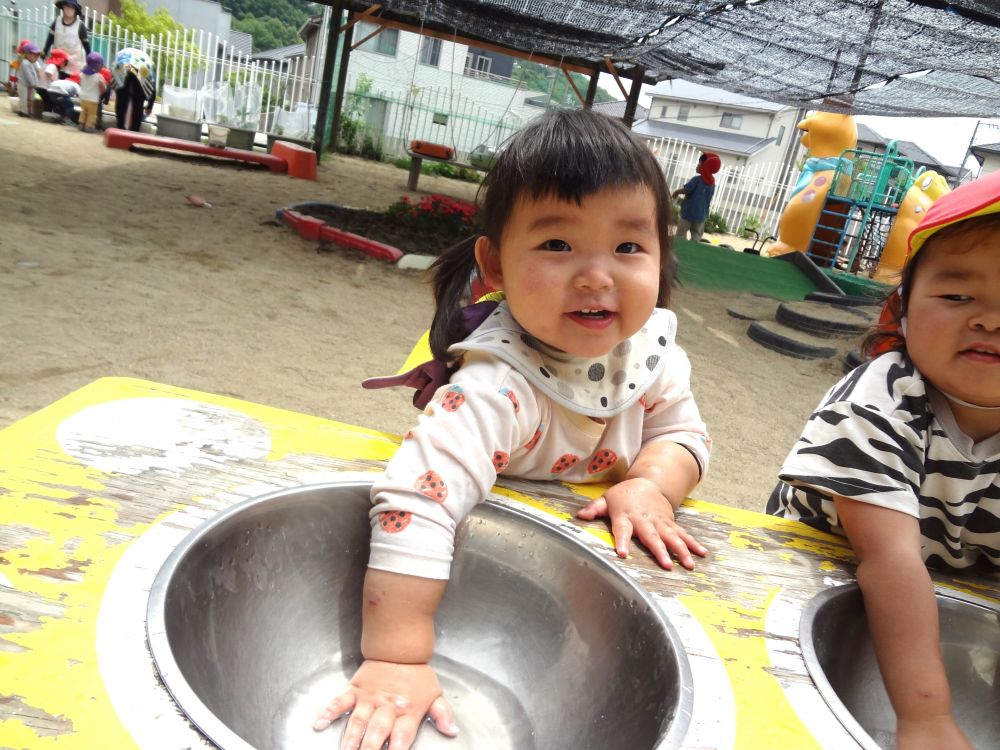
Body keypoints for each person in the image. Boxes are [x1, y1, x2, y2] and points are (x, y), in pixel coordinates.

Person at [314, 109, 712, 749]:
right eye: (557, 244)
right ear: (494, 266)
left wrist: (651, 486)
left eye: (628, 246)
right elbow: (418, 500)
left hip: (585, 589)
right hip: (495, 582)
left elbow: (686, 436)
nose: (597, 275)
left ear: (662, 258)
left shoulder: (652, 357)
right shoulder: (498, 384)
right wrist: (398, 657)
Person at [767, 170, 1000, 750]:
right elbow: (887, 559)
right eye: (957, 295)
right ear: (902, 308)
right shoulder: (881, 397)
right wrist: (926, 719)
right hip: (814, 579)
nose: (990, 319)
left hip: (946, 581)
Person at [671, 152, 722, 242]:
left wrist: (676, 192)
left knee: (680, 235)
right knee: (696, 235)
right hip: (701, 216)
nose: (697, 165)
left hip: (688, 213)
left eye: (699, 163)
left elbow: (686, 190)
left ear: (705, 166)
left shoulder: (697, 180)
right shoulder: (712, 184)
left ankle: (681, 250)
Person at [112, 48, 156, 132]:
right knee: (138, 102)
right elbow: (152, 84)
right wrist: (150, 105)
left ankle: (120, 126)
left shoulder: (123, 58)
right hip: (141, 72)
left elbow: (115, 78)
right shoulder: (147, 63)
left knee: (121, 99)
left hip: (124, 68)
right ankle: (134, 129)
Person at [42, 0, 89, 75]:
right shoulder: (57, 22)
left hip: (74, 65)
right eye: (66, 6)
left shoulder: (80, 26)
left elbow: (87, 47)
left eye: (71, 8)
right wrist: (44, 52)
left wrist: (89, 62)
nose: (68, 10)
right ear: (63, 7)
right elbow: (50, 39)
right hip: (57, 62)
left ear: (75, 10)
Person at [77, 51, 106, 132]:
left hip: (82, 98)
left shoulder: (82, 74)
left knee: (83, 111)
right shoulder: (99, 76)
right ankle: (89, 127)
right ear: (98, 66)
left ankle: (81, 124)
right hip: (93, 100)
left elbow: (80, 83)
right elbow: (103, 89)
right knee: (92, 114)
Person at [14, 42, 42, 117]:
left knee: (28, 99)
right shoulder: (26, 63)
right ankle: (24, 112)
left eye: (38, 55)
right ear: (27, 54)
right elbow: (29, 75)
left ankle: (26, 112)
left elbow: (34, 74)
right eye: (34, 55)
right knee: (24, 99)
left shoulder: (30, 63)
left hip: (28, 85)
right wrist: (34, 84)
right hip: (24, 84)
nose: (36, 57)